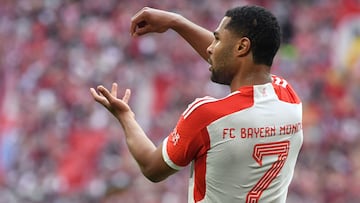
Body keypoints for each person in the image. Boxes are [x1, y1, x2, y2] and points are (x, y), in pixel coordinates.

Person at [90, 5, 303, 203]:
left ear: (242, 46)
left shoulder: (208, 116)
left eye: (217, 39)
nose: (210, 48)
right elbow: (239, 64)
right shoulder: (289, 98)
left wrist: (125, 117)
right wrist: (176, 22)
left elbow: (151, 167)